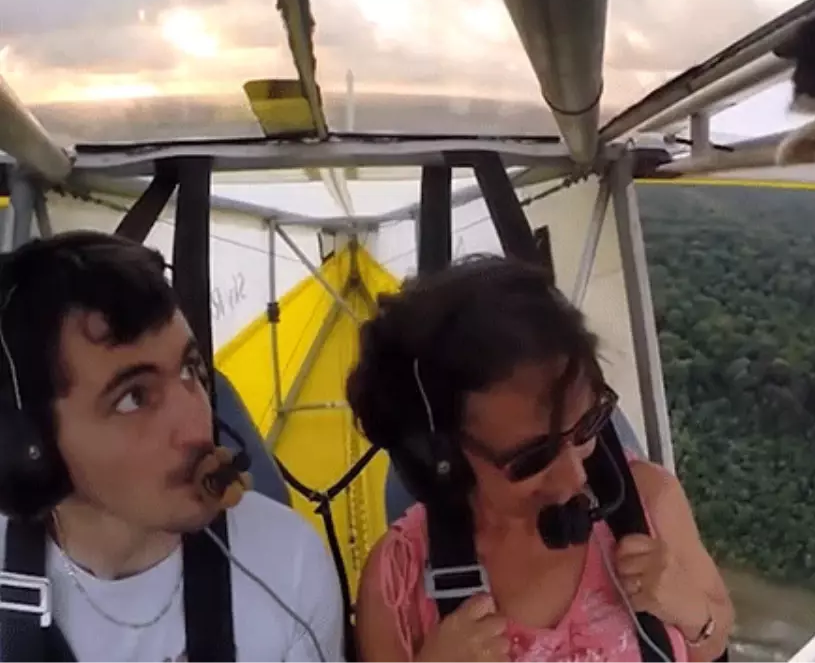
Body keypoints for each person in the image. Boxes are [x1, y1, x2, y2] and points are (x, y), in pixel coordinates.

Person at [348, 254, 734, 663]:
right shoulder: (397, 584)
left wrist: (693, 613)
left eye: (588, 427)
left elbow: (715, 638)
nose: (572, 478)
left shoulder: (648, 503)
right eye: (533, 458)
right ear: (445, 457)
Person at [0, 230, 345, 662]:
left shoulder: (288, 563)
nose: (196, 425)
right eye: (134, 398)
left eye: (190, 369)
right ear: (29, 443)